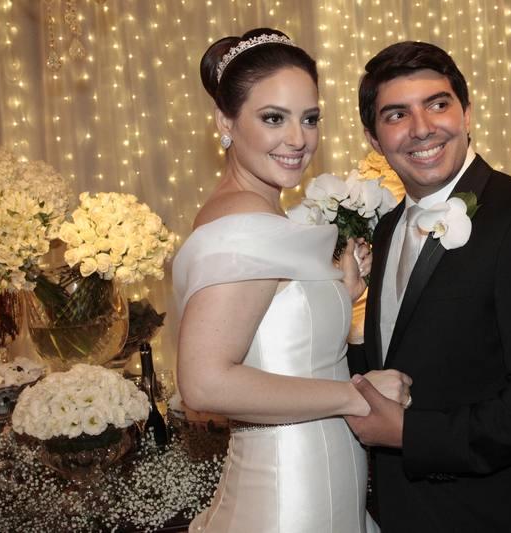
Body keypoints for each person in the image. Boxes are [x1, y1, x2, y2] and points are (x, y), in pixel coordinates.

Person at [345, 41, 511, 532]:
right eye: (397, 115)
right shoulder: (388, 227)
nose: (422, 128)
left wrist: (412, 434)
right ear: (374, 138)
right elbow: (402, 362)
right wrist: (344, 307)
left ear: (467, 113)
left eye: (438, 104)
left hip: (494, 515)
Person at [173, 28, 411, 533]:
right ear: (225, 121)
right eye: (273, 118)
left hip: (319, 488)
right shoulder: (241, 221)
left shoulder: (261, 214)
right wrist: (356, 395)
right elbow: (204, 383)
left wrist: (337, 294)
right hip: (287, 498)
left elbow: (275, 340)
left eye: (309, 118)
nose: (298, 139)